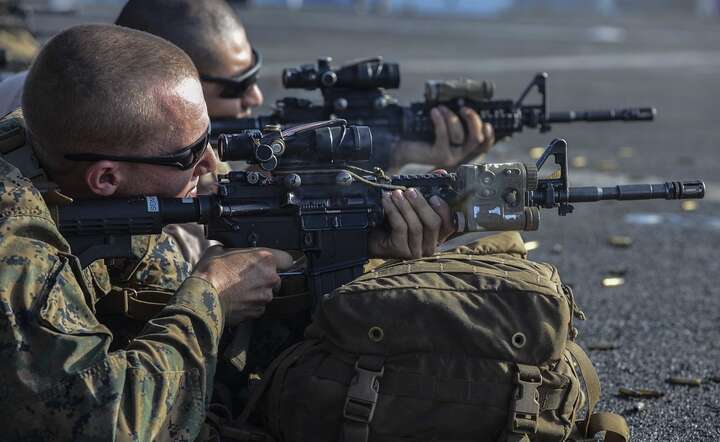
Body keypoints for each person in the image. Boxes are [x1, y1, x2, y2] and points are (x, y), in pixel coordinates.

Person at [0, 22, 453, 440]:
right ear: (105, 178)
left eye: (209, 140)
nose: (212, 164)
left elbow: (151, 295)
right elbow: (105, 422)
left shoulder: (56, 153)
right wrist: (210, 298)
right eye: (188, 155)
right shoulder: (14, 250)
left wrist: (345, 242)